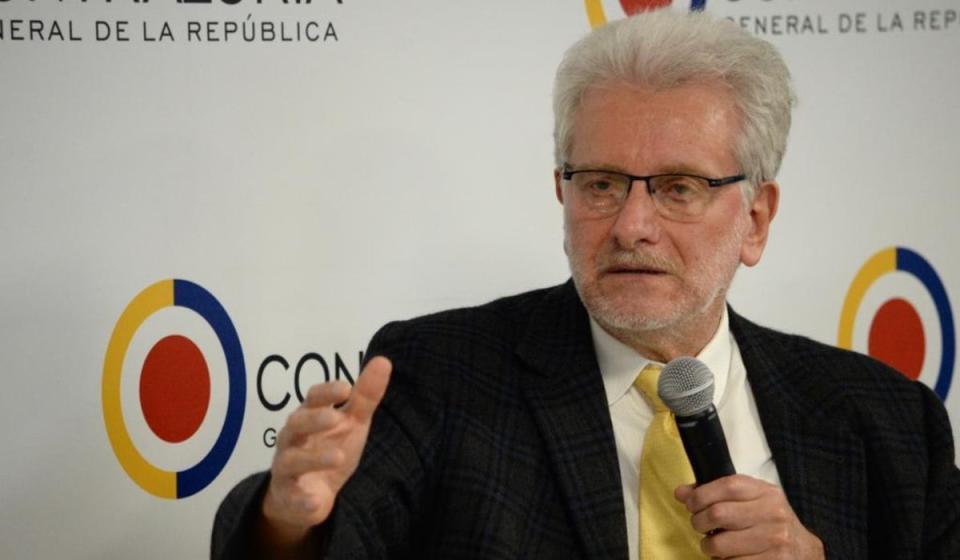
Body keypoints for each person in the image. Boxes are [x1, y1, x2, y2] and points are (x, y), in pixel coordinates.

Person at [212, 10, 960, 559]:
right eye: (601, 183)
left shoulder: (889, 425)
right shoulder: (445, 374)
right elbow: (337, 535)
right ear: (563, 192)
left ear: (756, 217)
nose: (632, 224)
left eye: (677, 187)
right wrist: (287, 522)